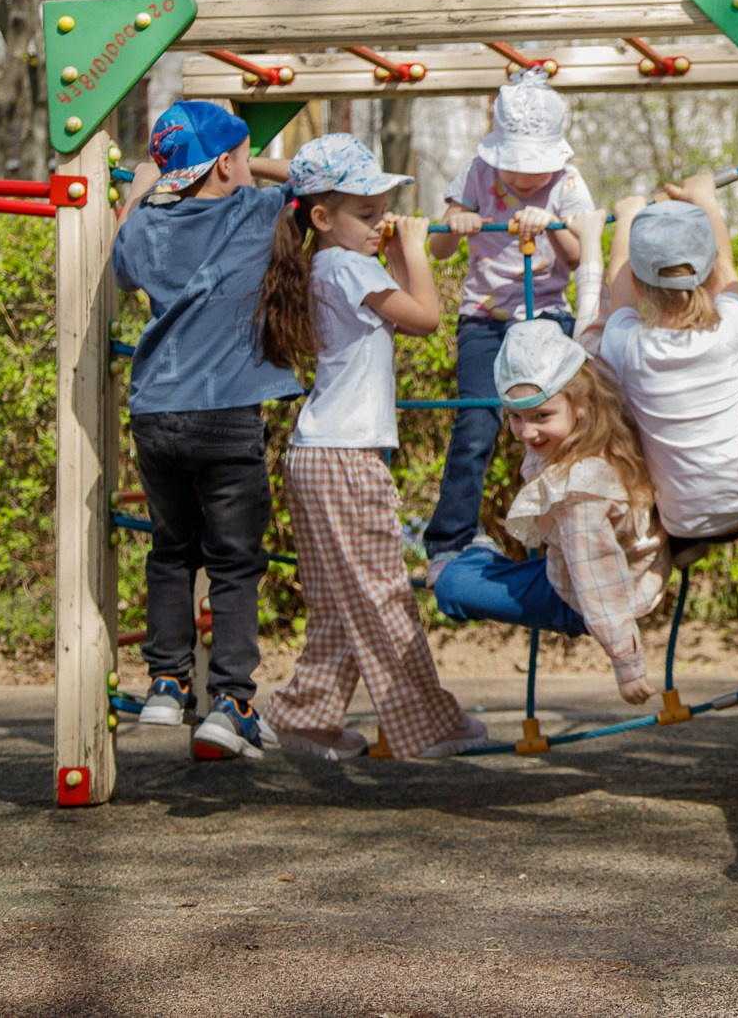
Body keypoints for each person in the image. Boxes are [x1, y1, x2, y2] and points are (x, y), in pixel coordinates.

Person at [254, 134, 484, 760]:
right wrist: (413, 246)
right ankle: (425, 724)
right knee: (382, 590)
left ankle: (305, 715)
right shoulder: (347, 265)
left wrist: (391, 245)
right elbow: (426, 318)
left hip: (317, 454)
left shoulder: (324, 262)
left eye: (384, 211)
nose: (380, 223)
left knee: (336, 600)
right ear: (324, 218)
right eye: (369, 214)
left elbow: (403, 305)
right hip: (347, 457)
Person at [113, 102, 299, 760]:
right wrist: (256, 162)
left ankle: (166, 682)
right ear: (226, 163)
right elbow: (316, 177)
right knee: (235, 560)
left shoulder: (149, 226)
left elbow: (124, 250)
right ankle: (232, 699)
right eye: (243, 156)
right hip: (226, 416)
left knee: (171, 550)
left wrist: (142, 183)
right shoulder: (253, 211)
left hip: (155, 413)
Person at [430, 320, 669, 704]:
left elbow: (596, 579)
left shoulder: (580, 492)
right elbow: (591, 332)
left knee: (450, 587)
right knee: (492, 573)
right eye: (515, 417)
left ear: (582, 401)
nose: (527, 432)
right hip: (583, 568)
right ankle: (481, 557)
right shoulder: (595, 418)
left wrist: (627, 666)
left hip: (589, 598)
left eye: (541, 416)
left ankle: (474, 556)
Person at [423, 68, 596, 578]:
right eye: (516, 168)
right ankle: (448, 540)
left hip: (546, 317)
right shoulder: (477, 172)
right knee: (478, 420)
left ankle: (563, 533)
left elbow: (579, 255)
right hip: (485, 318)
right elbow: (438, 247)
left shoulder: (565, 180)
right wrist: (457, 222)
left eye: (534, 168)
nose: (525, 180)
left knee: (561, 425)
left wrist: (554, 225)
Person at [593, 175, 738, 551]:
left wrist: (627, 218)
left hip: (685, 523)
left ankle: (686, 544)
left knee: (630, 400)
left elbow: (617, 289)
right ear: (709, 273)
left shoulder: (626, 345)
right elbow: (726, 269)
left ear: (637, 282)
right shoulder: (734, 326)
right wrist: (705, 199)